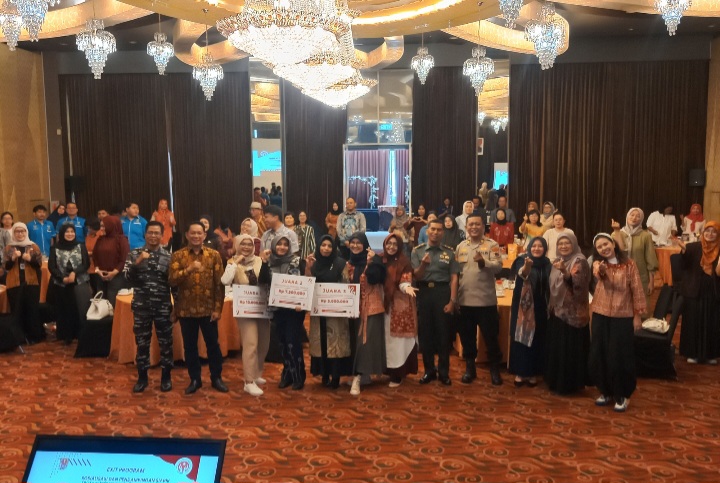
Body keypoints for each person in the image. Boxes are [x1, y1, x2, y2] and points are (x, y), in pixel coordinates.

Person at [169, 222, 227, 395]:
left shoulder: (214, 255)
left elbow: (220, 285)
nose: (196, 236)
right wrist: (188, 270)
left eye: (199, 233)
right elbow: (172, 280)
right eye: (192, 233)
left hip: (209, 310)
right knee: (190, 347)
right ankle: (195, 379)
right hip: (186, 310)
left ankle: (216, 378)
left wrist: (218, 308)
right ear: (187, 235)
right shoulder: (178, 255)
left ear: (204, 235)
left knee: (213, 346)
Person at [589, 233, 646, 412]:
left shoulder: (629, 264)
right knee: (600, 352)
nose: (603, 248)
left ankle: (622, 394)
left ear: (613, 244)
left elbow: (637, 290)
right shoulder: (598, 264)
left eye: (606, 244)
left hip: (623, 315)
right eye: (599, 247)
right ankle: (605, 390)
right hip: (600, 314)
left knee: (619, 355)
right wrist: (601, 270)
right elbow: (599, 274)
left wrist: (637, 316)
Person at [123, 221, 173, 393]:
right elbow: (127, 278)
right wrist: (137, 263)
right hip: (141, 307)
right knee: (142, 343)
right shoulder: (134, 253)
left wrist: (177, 306)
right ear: (145, 234)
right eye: (150, 232)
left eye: (156, 233)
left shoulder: (168, 256)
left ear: (162, 235)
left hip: (162, 307)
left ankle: (166, 377)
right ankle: (142, 378)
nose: (153, 236)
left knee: (166, 343)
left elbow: (173, 283)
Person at [455, 214, 503, 385]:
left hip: (486, 302)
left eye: (477, 224)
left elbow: (498, 267)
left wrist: (484, 262)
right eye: (471, 224)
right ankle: (470, 369)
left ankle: (495, 370)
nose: (474, 227)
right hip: (464, 301)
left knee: (491, 338)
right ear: (466, 227)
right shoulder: (461, 246)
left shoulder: (492, 245)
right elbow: (456, 273)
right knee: (467, 338)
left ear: (483, 226)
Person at [222, 234, 272, 396]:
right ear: (237, 245)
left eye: (249, 244)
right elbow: (225, 281)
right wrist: (235, 263)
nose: (246, 247)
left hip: (262, 307)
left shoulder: (259, 260)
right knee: (251, 343)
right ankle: (248, 382)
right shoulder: (232, 262)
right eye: (242, 244)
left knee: (263, 343)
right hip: (245, 309)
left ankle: (256, 373)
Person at [412, 219, 460, 385]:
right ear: (427, 231)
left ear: (443, 233)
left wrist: (452, 301)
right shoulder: (417, 251)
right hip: (424, 293)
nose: (435, 232)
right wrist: (423, 265)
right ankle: (429, 371)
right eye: (432, 229)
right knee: (425, 334)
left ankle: (444, 372)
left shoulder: (450, 252)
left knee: (443, 334)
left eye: (439, 230)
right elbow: (416, 276)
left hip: (442, 293)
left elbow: (454, 278)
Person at [545, 232, 591, 395]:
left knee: (569, 351)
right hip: (557, 312)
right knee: (559, 349)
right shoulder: (558, 261)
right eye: (560, 244)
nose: (563, 246)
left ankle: (569, 385)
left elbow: (577, 284)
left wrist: (565, 272)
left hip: (573, 315)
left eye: (567, 243)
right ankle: (555, 381)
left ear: (574, 244)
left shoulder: (580, 261)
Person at [307, 235, 352, 389]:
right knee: (321, 342)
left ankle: (336, 375)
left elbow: (346, 284)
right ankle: (324, 374)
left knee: (335, 344)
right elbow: (307, 283)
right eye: (323, 245)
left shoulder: (340, 263)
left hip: (336, 311)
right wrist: (308, 267)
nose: (326, 248)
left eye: (329, 246)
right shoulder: (314, 263)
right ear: (318, 246)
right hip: (318, 310)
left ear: (333, 248)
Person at [672, 221, 720, 364]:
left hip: (714, 291)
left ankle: (711, 355)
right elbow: (683, 266)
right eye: (707, 231)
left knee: (712, 322)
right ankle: (691, 353)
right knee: (693, 321)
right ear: (703, 232)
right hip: (693, 290)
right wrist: (683, 252)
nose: (710, 234)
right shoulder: (693, 247)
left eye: (714, 232)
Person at [347, 232, 386, 395]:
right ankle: (363, 374)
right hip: (351, 308)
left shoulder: (374, 261)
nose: (355, 245)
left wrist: (371, 264)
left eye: (359, 243)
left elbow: (376, 279)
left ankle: (358, 377)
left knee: (365, 343)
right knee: (354, 342)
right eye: (353, 242)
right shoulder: (348, 263)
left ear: (365, 245)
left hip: (370, 308)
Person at [509, 237, 551, 387]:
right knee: (521, 336)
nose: (537, 249)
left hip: (540, 304)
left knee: (536, 338)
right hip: (523, 305)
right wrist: (527, 266)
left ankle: (533, 372)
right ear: (529, 247)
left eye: (540, 246)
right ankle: (520, 372)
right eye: (534, 246)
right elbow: (523, 274)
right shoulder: (522, 260)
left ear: (545, 249)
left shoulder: (547, 264)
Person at [267, 236, 307, 390]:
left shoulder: (297, 261)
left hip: (294, 311)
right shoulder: (269, 262)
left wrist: (302, 303)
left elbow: (306, 283)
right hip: (277, 309)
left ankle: (298, 375)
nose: (282, 247)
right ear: (273, 246)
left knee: (293, 342)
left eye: (285, 245)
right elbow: (263, 280)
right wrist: (263, 262)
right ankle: (287, 373)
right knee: (282, 342)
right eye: (279, 244)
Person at [379, 233, 418, 387]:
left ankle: (398, 373)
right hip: (382, 304)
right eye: (389, 243)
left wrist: (407, 287)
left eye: (395, 244)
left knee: (398, 342)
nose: (391, 247)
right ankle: (388, 370)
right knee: (385, 340)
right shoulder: (379, 259)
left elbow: (405, 280)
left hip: (399, 306)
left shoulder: (404, 261)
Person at [48, 224, 92, 345]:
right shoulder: (55, 247)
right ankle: (66, 335)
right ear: (62, 233)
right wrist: (62, 278)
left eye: (72, 231)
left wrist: (74, 273)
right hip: (61, 283)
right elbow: (51, 266)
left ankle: (80, 334)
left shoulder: (80, 245)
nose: (70, 234)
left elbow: (86, 264)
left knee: (80, 308)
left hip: (79, 282)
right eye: (67, 232)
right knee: (64, 310)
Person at [3, 223, 44, 343]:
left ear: (26, 232)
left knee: (32, 310)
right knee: (17, 310)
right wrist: (13, 258)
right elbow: (6, 267)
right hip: (14, 283)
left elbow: (39, 264)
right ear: (13, 233)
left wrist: (29, 259)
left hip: (31, 283)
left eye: (22, 231)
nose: (20, 234)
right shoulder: (9, 247)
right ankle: (19, 337)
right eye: (17, 231)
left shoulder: (33, 246)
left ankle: (34, 337)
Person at [613, 208, 658, 307]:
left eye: (638, 216)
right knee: (622, 307)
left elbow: (650, 259)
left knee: (641, 307)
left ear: (641, 219)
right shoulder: (616, 234)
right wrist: (617, 231)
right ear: (627, 216)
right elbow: (616, 254)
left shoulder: (645, 236)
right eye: (632, 215)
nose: (634, 218)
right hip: (621, 277)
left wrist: (651, 282)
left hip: (641, 277)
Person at [92, 215, 130, 306]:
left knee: (112, 304)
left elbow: (124, 259)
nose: (101, 229)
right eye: (101, 226)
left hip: (116, 277)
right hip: (101, 276)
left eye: (104, 226)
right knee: (101, 305)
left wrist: (113, 273)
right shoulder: (100, 239)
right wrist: (97, 270)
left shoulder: (121, 240)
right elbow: (95, 256)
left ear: (111, 226)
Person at [85, 218, 102, 292]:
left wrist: (91, 253)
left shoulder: (101, 235)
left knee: (99, 289)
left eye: (89, 227)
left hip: (99, 267)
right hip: (89, 267)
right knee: (93, 288)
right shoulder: (88, 236)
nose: (88, 229)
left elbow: (102, 250)